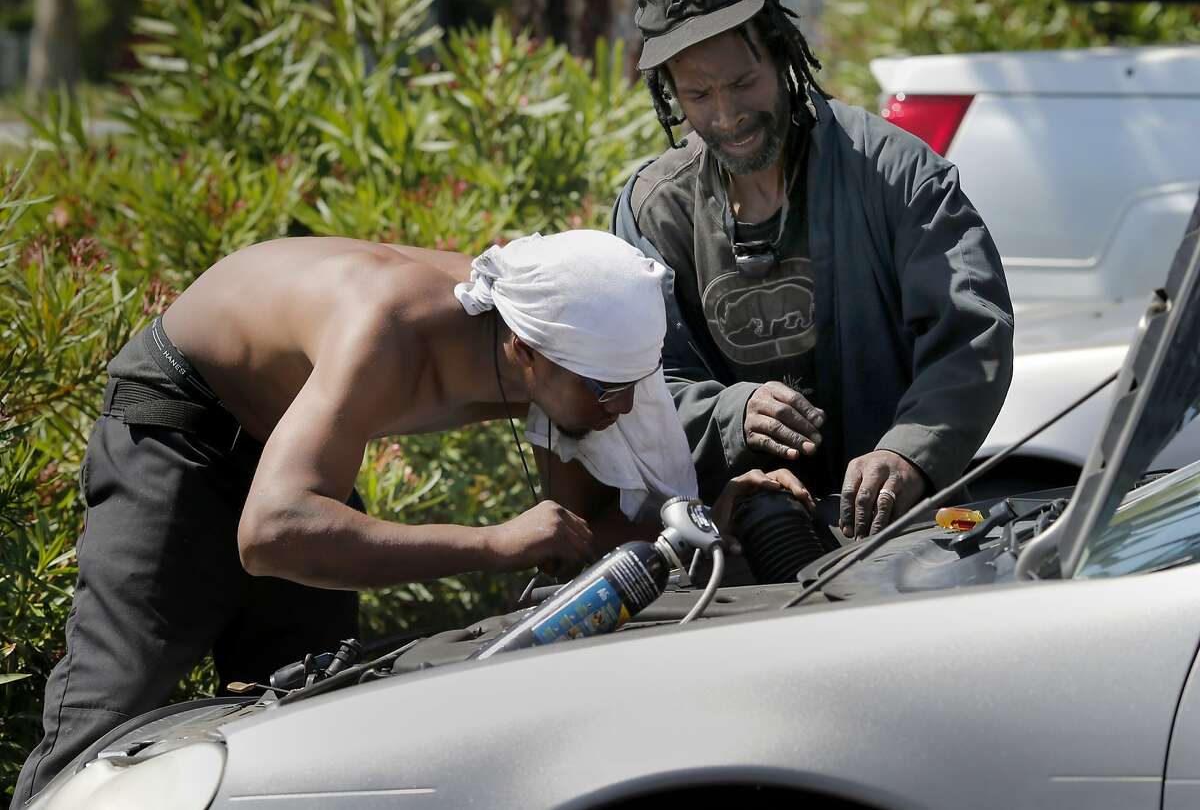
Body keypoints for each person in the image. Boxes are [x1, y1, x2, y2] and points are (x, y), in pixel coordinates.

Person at [15, 229, 803, 806]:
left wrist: (711, 516)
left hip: (298, 461)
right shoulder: (387, 329)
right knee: (99, 737)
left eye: (634, 386)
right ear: (525, 351)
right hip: (185, 431)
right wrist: (489, 544)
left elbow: (582, 536)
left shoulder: (585, 347)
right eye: (609, 392)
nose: (626, 407)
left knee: (302, 738)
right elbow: (272, 532)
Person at [612, 0, 1015, 541]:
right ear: (671, 92)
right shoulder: (652, 212)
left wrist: (910, 453)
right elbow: (635, 381)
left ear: (782, 53)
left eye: (743, 82)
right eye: (698, 95)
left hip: (899, 539)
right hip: (741, 552)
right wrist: (730, 413)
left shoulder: (891, 172)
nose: (727, 115)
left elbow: (972, 331)